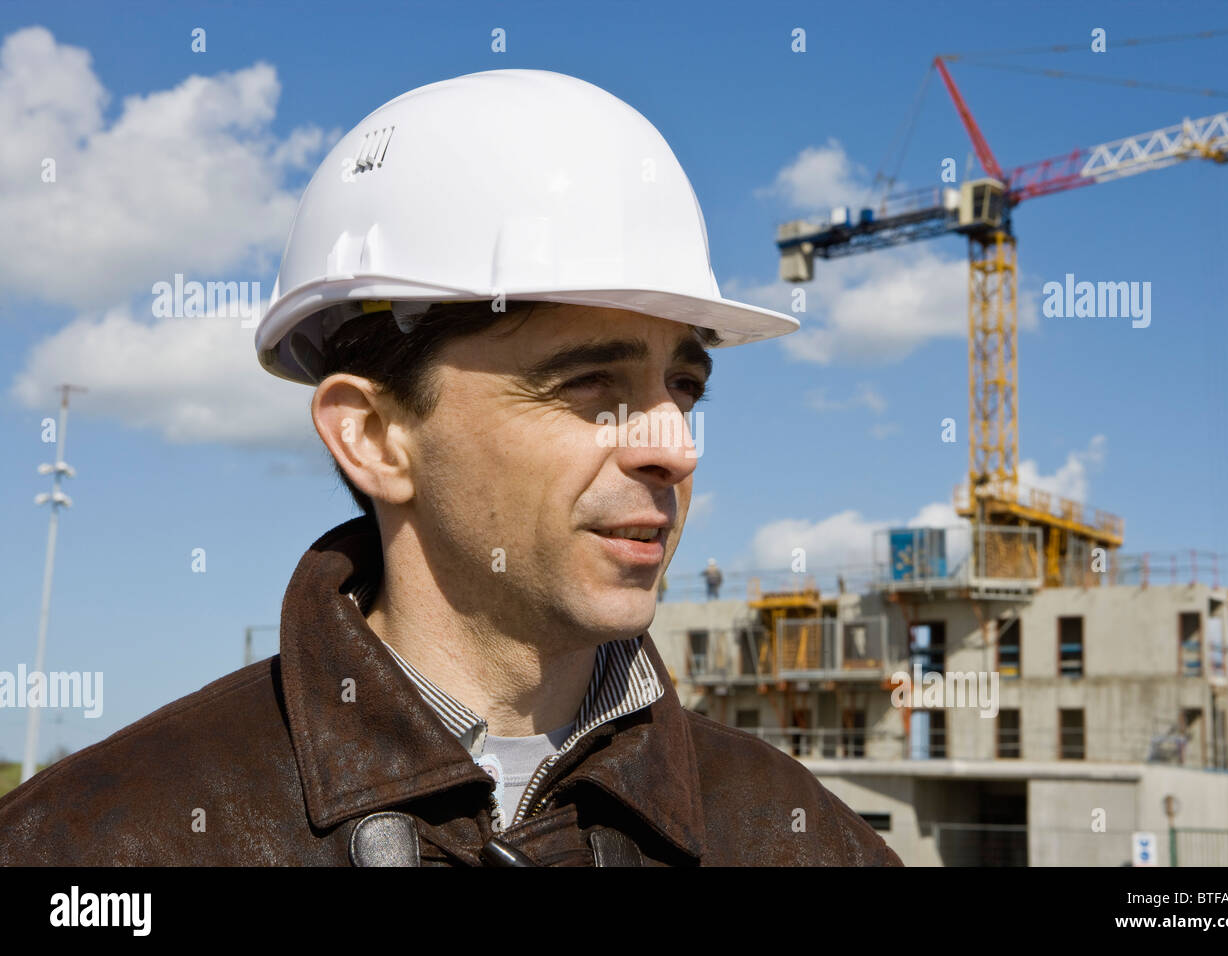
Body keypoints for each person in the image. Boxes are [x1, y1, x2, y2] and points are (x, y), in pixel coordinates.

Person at [0, 69, 900, 867]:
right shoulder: (101, 839)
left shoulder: (795, 834)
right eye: (589, 385)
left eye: (684, 388)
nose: (672, 444)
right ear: (375, 437)